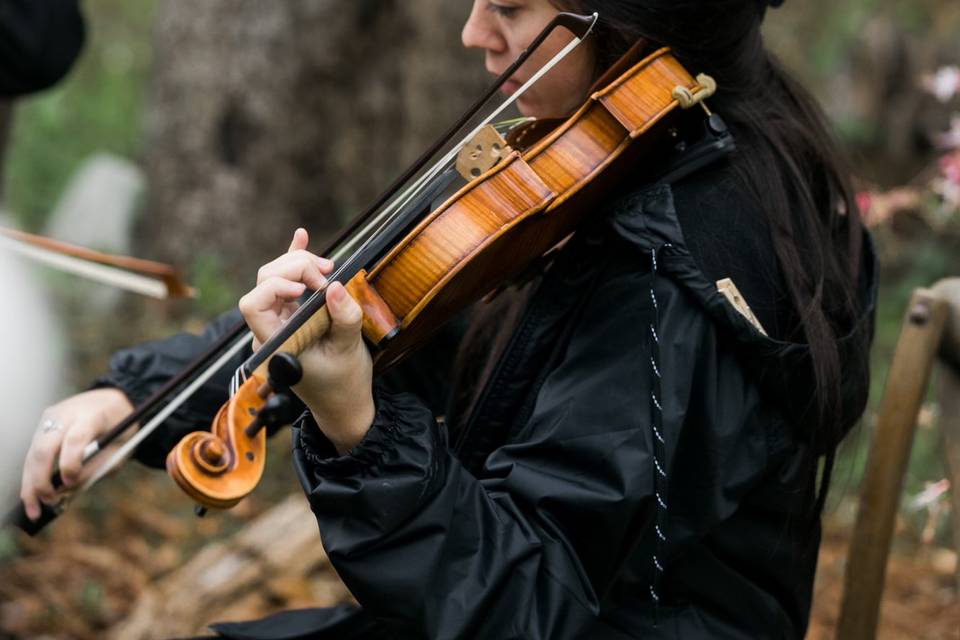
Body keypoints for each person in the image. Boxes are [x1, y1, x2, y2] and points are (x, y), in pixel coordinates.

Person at [19, 0, 877, 638]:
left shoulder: (672, 271)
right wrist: (146, 399)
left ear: (633, 19)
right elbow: (412, 311)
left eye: (509, 7)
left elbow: (527, 606)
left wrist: (359, 427)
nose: (473, 31)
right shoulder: (660, 143)